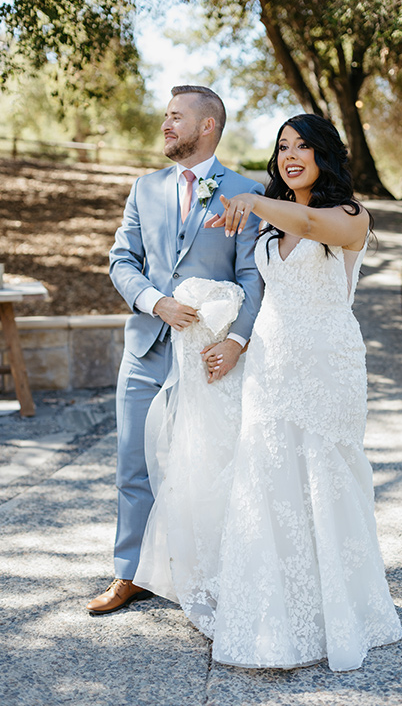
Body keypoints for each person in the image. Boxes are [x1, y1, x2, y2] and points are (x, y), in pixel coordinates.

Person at [134, 113, 402, 671]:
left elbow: (309, 222)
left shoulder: (350, 216)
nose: (290, 155)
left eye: (303, 145)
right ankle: (276, 616)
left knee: (327, 477)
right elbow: (260, 290)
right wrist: (234, 339)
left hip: (328, 365)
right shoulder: (271, 225)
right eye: (283, 147)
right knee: (269, 481)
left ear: (326, 154)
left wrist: (253, 201)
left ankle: (345, 614)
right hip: (272, 366)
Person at [86, 85, 264, 615]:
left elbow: (254, 277)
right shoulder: (145, 188)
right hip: (147, 347)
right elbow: (122, 260)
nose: (166, 125)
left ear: (207, 126)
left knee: (209, 465)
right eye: (165, 116)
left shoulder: (246, 192)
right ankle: (130, 574)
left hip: (208, 358)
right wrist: (154, 301)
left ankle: (209, 572)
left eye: (176, 117)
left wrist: (236, 342)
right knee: (133, 466)